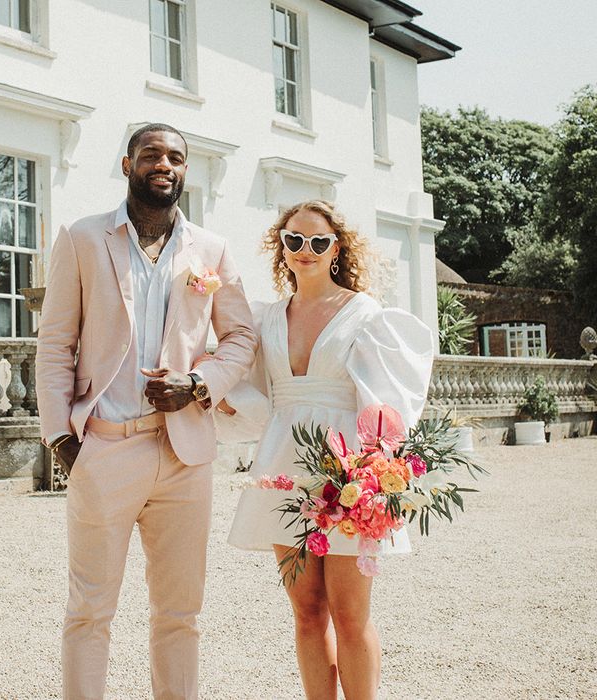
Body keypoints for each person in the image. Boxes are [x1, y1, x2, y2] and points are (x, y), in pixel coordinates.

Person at [35, 122, 257, 700]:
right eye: (152, 154)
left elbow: (240, 338)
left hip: (185, 454)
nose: (165, 164)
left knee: (180, 613)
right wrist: (61, 438)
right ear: (127, 162)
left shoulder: (210, 250)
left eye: (177, 157)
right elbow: (56, 343)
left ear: (186, 170)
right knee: (89, 611)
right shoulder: (82, 238)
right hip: (105, 447)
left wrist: (198, 383)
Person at [214, 200, 433, 700]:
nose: (305, 250)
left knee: (350, 614)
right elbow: (255, 398)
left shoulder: (365, 313)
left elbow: (388, 403)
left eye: (317, 241)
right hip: (282, 469)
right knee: (307, 611)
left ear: (336, 248)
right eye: (294, 240)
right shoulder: (264, 318)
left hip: (347, 472)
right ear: (281, 247)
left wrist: (378, 473)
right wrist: (217, 395)